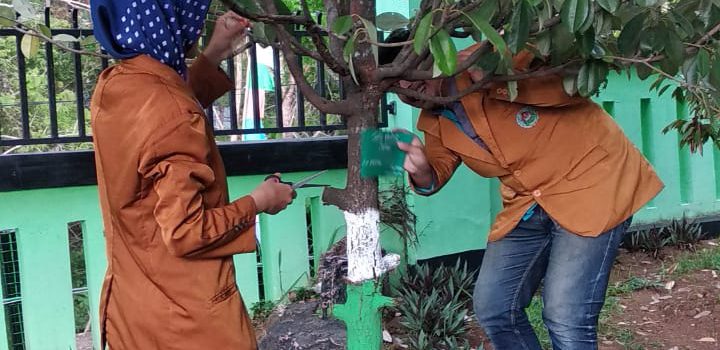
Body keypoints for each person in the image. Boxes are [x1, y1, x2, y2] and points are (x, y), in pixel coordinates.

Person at [391, 37, 665, 348]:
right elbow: (437, 170)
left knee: (566, 317)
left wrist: (498, 81)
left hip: (592, 184)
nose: (406, 89)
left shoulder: (494, 58)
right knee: (494, 307)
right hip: (528, 203)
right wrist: (421, 168)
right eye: (395, 86)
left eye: (411, 75)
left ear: (438, 58)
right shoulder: (436, 118)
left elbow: (575, 88)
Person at [89, 2, 294, 349]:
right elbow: (186, 232)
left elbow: (161, 122)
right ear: (168, 17)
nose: (196, 26)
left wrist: (212, 54)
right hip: (187, 322)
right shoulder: (169, 110)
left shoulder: (118, 85)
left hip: (135, 306)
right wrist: (258, 202)